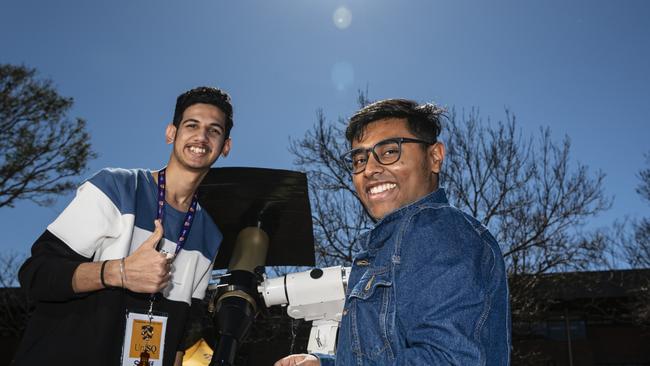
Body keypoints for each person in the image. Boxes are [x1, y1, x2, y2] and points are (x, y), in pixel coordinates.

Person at [275, 99, 510, 365]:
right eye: (360, 159)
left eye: (389, 152)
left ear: (434, 157)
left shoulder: (434, 229)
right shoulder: (391, 248)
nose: (370, 169)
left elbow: (448, 359)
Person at [13, 86, 234, 366]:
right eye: (192, 125)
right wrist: (119, 272)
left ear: (225, 146)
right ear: (171, 133)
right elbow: (36, 275)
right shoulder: (115, 188)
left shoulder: (209, 236)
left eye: (214, 130)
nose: (201, 137)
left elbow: (182, 329)